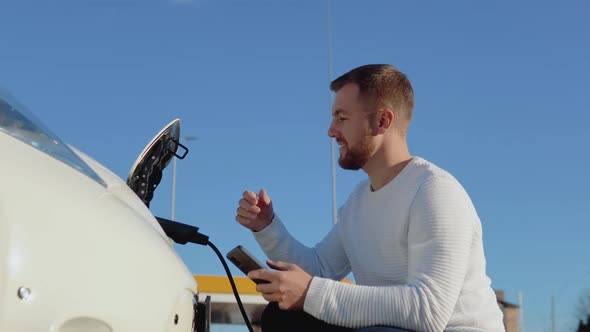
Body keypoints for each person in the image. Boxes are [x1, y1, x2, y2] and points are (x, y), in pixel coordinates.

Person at [234, 64, 505, 332]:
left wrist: (310, 292)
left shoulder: (434, 191)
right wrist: (267, 227)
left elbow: (428, 310)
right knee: (282, 318)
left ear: (382, 121)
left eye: (342, 117)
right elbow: (319, 270)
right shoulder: (357, 203)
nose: (331, 130)